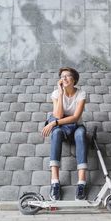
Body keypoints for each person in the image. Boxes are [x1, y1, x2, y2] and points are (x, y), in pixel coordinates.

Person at [42, 67, 87, 201]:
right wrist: (61, 94)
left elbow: (75, 117)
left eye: (68, 76)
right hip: (61, 126)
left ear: (74, 80)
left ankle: (81, 183)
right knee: (56, 134)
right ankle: (55, 181)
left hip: (76, 125)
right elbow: (58, 115)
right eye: (62, 76)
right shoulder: (56, 94)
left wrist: (53, 123)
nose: (64, 78)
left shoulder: (81, 94)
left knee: (80, 135)